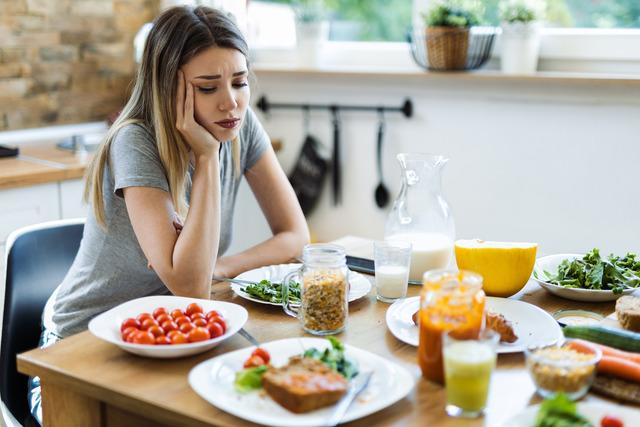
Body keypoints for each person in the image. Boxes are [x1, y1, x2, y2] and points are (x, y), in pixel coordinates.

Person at [27, 5, 309, 424]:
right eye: (207, 87)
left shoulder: (240, 123)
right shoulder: (135, 141)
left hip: (170, 331)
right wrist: (208, 159)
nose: (231, 103)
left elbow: (295, 236)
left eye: (240, 81)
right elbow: (191, 287)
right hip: (79, 351)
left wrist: (221, 265)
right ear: (168, 88)